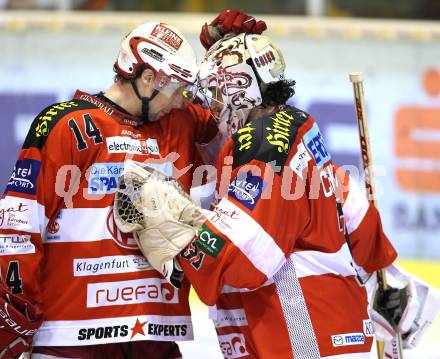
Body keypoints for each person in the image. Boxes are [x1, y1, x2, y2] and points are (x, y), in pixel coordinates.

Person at [115, 29, 440, 358]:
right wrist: (388, 277)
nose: (210, 103)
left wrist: (188, 242)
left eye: (216, 90)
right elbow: (361, 223)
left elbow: (245, 260)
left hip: (302, 336)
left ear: (242, 87)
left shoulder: (265, 142)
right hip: (331, 329)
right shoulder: (299, 131)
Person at [0, 12, 267, 358]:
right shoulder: (69, 124)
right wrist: (15, 308)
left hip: (155, 337)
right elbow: (18, 223)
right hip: (70, 337)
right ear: (146, 77)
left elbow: (246, 141)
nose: (180, 101)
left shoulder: (183, 123)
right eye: (175, 89)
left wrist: (232, 63)